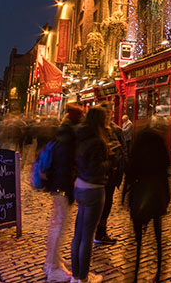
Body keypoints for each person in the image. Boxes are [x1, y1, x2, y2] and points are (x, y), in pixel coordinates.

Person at [122, 124, 171, 283]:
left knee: (137, 241)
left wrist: (124, 194)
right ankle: (158, 274)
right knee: (157, 238)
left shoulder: (138, 146)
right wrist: (167, 197)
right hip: (157, 196)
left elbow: (130, 171)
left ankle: (135, 274)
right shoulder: (160, 146)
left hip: (140, 195)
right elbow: (167, 173)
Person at [70, 107, 109, 283]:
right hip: (94, 188)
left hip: (79, 185)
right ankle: (84, 278)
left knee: (78, 233)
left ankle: (75, 275)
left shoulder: (80, 136)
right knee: (88, 235)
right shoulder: (98, 141)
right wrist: (110, 164)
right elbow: (98, 167)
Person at [42, 107, 80, 283]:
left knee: (56, 224)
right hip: (62, 187)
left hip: (56, 186)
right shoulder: (69, 139)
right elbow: (66, 166)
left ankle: (52, 260)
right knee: (59, 226)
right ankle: (54, 269)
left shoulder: (61, 134)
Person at [94, 106, 126, 246]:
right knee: (95, 206)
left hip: (111, 176)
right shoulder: (93, 132)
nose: (108, 116)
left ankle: (101, 232)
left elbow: (123, 152)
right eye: (106, 114)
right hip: (97, 177)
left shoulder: (116, 130)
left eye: (109, 113)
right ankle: (91, 233)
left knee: (106, 205)